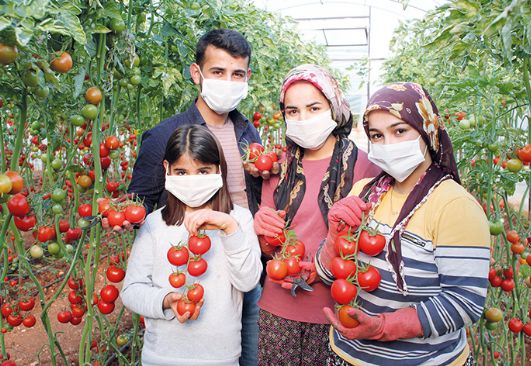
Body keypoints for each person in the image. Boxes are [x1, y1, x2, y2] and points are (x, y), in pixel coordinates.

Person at [315, 82, 490, 366]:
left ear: (426, 130)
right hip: (347, 355)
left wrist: (383, 327)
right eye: (377, 135)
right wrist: (335, 236)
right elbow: (327, 274)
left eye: (400, 131)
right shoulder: (363, 192)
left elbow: (464, 303)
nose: (388, 144)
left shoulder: (454, 206)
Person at [127, 29, 270, 365]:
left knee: (243, 353)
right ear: (197, 74)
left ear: (247, 77)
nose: (228, 81)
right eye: (218, 72)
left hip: (242, 263)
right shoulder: (164, 135)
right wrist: (129, 219)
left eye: (237, 74)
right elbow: (140, 202)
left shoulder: (248, 132)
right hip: (189, 266)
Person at [253, 64, 379, 365]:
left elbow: (373, 241)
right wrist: (261, 229)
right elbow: (269, 251)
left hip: (336, 308)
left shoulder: (364, 167)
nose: (303, 118)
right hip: (277, 308)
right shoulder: (278, 168)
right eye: (293, 111)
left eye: (313, 107)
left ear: (333, 109)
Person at [121, 125, 262, 366]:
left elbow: (248, 282)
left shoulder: (239, 220)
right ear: (167, 169)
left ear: (219, 170)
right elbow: (131, 290)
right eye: (182, 172)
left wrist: (229, 229)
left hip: (221, 357)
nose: (193, 180)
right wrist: (166, 299)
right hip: (162, 356)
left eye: (204, 171)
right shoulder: (154, 224)